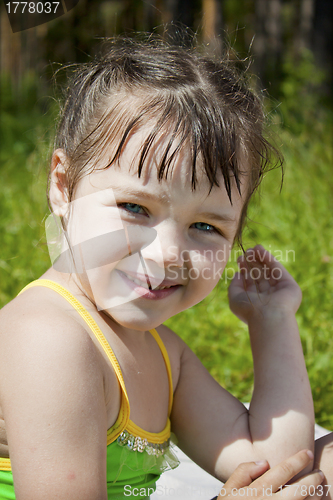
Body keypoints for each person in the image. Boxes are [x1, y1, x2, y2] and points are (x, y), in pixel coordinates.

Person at [0, 37, 316, 499]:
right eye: (134, 207)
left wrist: (273, 322)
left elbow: (278, 469)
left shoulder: (166, 356)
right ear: (63, 187)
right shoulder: (50, 337)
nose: (169, 253)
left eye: (206, 226)